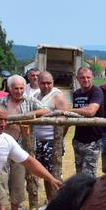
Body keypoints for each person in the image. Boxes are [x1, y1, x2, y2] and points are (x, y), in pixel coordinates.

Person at [0, 75, 49, 210]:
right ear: (9, 88)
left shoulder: (30, 100)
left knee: (18, 179)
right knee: (0, 177)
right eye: (16, 88)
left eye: (21, 88)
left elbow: (45, 110)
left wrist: (29, 115)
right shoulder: (1, 102)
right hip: (2, 144)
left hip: (21, 146)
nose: (19, 91)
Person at [35, 71, 69, 200]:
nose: (46, 86)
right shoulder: (36, 95)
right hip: (38, 141)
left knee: (54, 174)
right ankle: (50, 200)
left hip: (51, 141)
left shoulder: (57, 96)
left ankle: (58, 201)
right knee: (44, 174)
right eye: (43, 83)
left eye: (49, 83)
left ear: (53, 83)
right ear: (38, 83)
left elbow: (65, 121)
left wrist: (58, 141)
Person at [70, 67, 106, 176]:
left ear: (92, 78)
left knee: (88, 175)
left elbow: (91, 111)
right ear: (77, 79)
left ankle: (89, 193)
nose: (86, 80)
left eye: (88, 77)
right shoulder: (76, 94)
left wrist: (68, 110)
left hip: (93, 140)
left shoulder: (96, 92)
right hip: (78, 139)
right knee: (79, 173)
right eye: (82, 77)